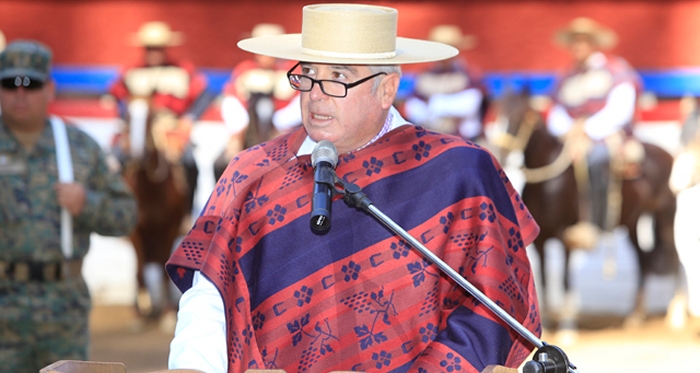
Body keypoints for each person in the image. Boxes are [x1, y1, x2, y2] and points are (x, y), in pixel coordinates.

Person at [166, 4, 541, 373]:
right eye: (307, 74)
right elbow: (211, 294)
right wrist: (193, 368)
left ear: (387, 89)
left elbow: (493, 301)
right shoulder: (251, 172)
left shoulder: (460, 173)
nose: (315, 94)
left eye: (338, 77)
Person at [0, 40, 137, 373]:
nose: (20, 94)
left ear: (50, 89)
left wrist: (86, 204)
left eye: (30, 84)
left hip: (63, 306)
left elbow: (126, 215)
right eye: (10, 83)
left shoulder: (79, 146)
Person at [547, 17, 643, 240]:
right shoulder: (565, 76)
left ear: (593, 43)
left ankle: (597, 223)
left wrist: (587, 129)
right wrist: (569, 129)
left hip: (606, 135)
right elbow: (555, 111)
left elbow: (621, 108)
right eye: (574, 41)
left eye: (582, 41)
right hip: (571, 136)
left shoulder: (615, 70)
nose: (577, 46)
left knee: (597, 157)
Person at [107, 21, 212, 216]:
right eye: (150, 48)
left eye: (158, 48)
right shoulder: (131, 71)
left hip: (169, 127)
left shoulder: (183, 70)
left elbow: (204, 94)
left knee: (189, 161)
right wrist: (126, 120)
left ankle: (186, 215)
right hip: (137, 127)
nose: (154, 52)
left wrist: (189, 118)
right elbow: (117, 96)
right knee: (115, 159)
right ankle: (119, 212)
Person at [215, 23, 301, 181]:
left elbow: (300, 103)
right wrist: (238, 128)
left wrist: (281, 121)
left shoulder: (293, 70)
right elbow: (232, 98)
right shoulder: (245, 69)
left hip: (284, 131)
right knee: (219, 164)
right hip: (249, 129)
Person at [403, 24, 488, 142]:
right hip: (429, 137)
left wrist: (436, 104)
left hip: (466, 139)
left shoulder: (469, 74)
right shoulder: (425, 75)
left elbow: (470, 105)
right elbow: (412, 106)